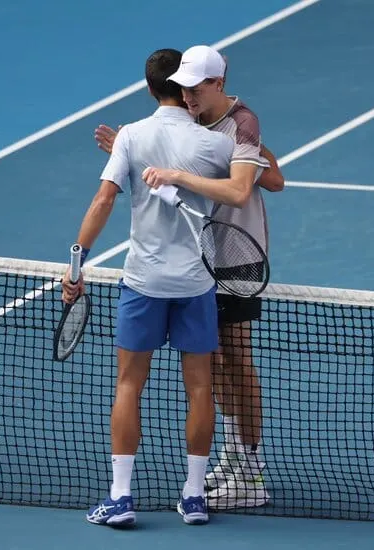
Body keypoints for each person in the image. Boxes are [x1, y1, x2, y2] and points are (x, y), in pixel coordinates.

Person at [95, 45, 284, 511]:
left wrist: (181, 173)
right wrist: (130, 147)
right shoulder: (192, 120)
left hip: (235, 254)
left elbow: (266, 182)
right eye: (183, 86)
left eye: (196, 87)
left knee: (236, 360)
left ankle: (252, 469)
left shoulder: (242, 123)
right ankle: (234, 453)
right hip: (198, 261)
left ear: (219, 84)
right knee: (214, 364)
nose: (188, 94)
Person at [63, 48, 238, 528]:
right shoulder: (217, 147)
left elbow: (103, 200)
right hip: (197, 282)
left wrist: (76, 266)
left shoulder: (132, 138)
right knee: (200, 386)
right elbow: (258, 181)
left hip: (143, 282)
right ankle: (195, 495)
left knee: (128, 384)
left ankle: (120, 498)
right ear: (187, 88)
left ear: (148, 88)